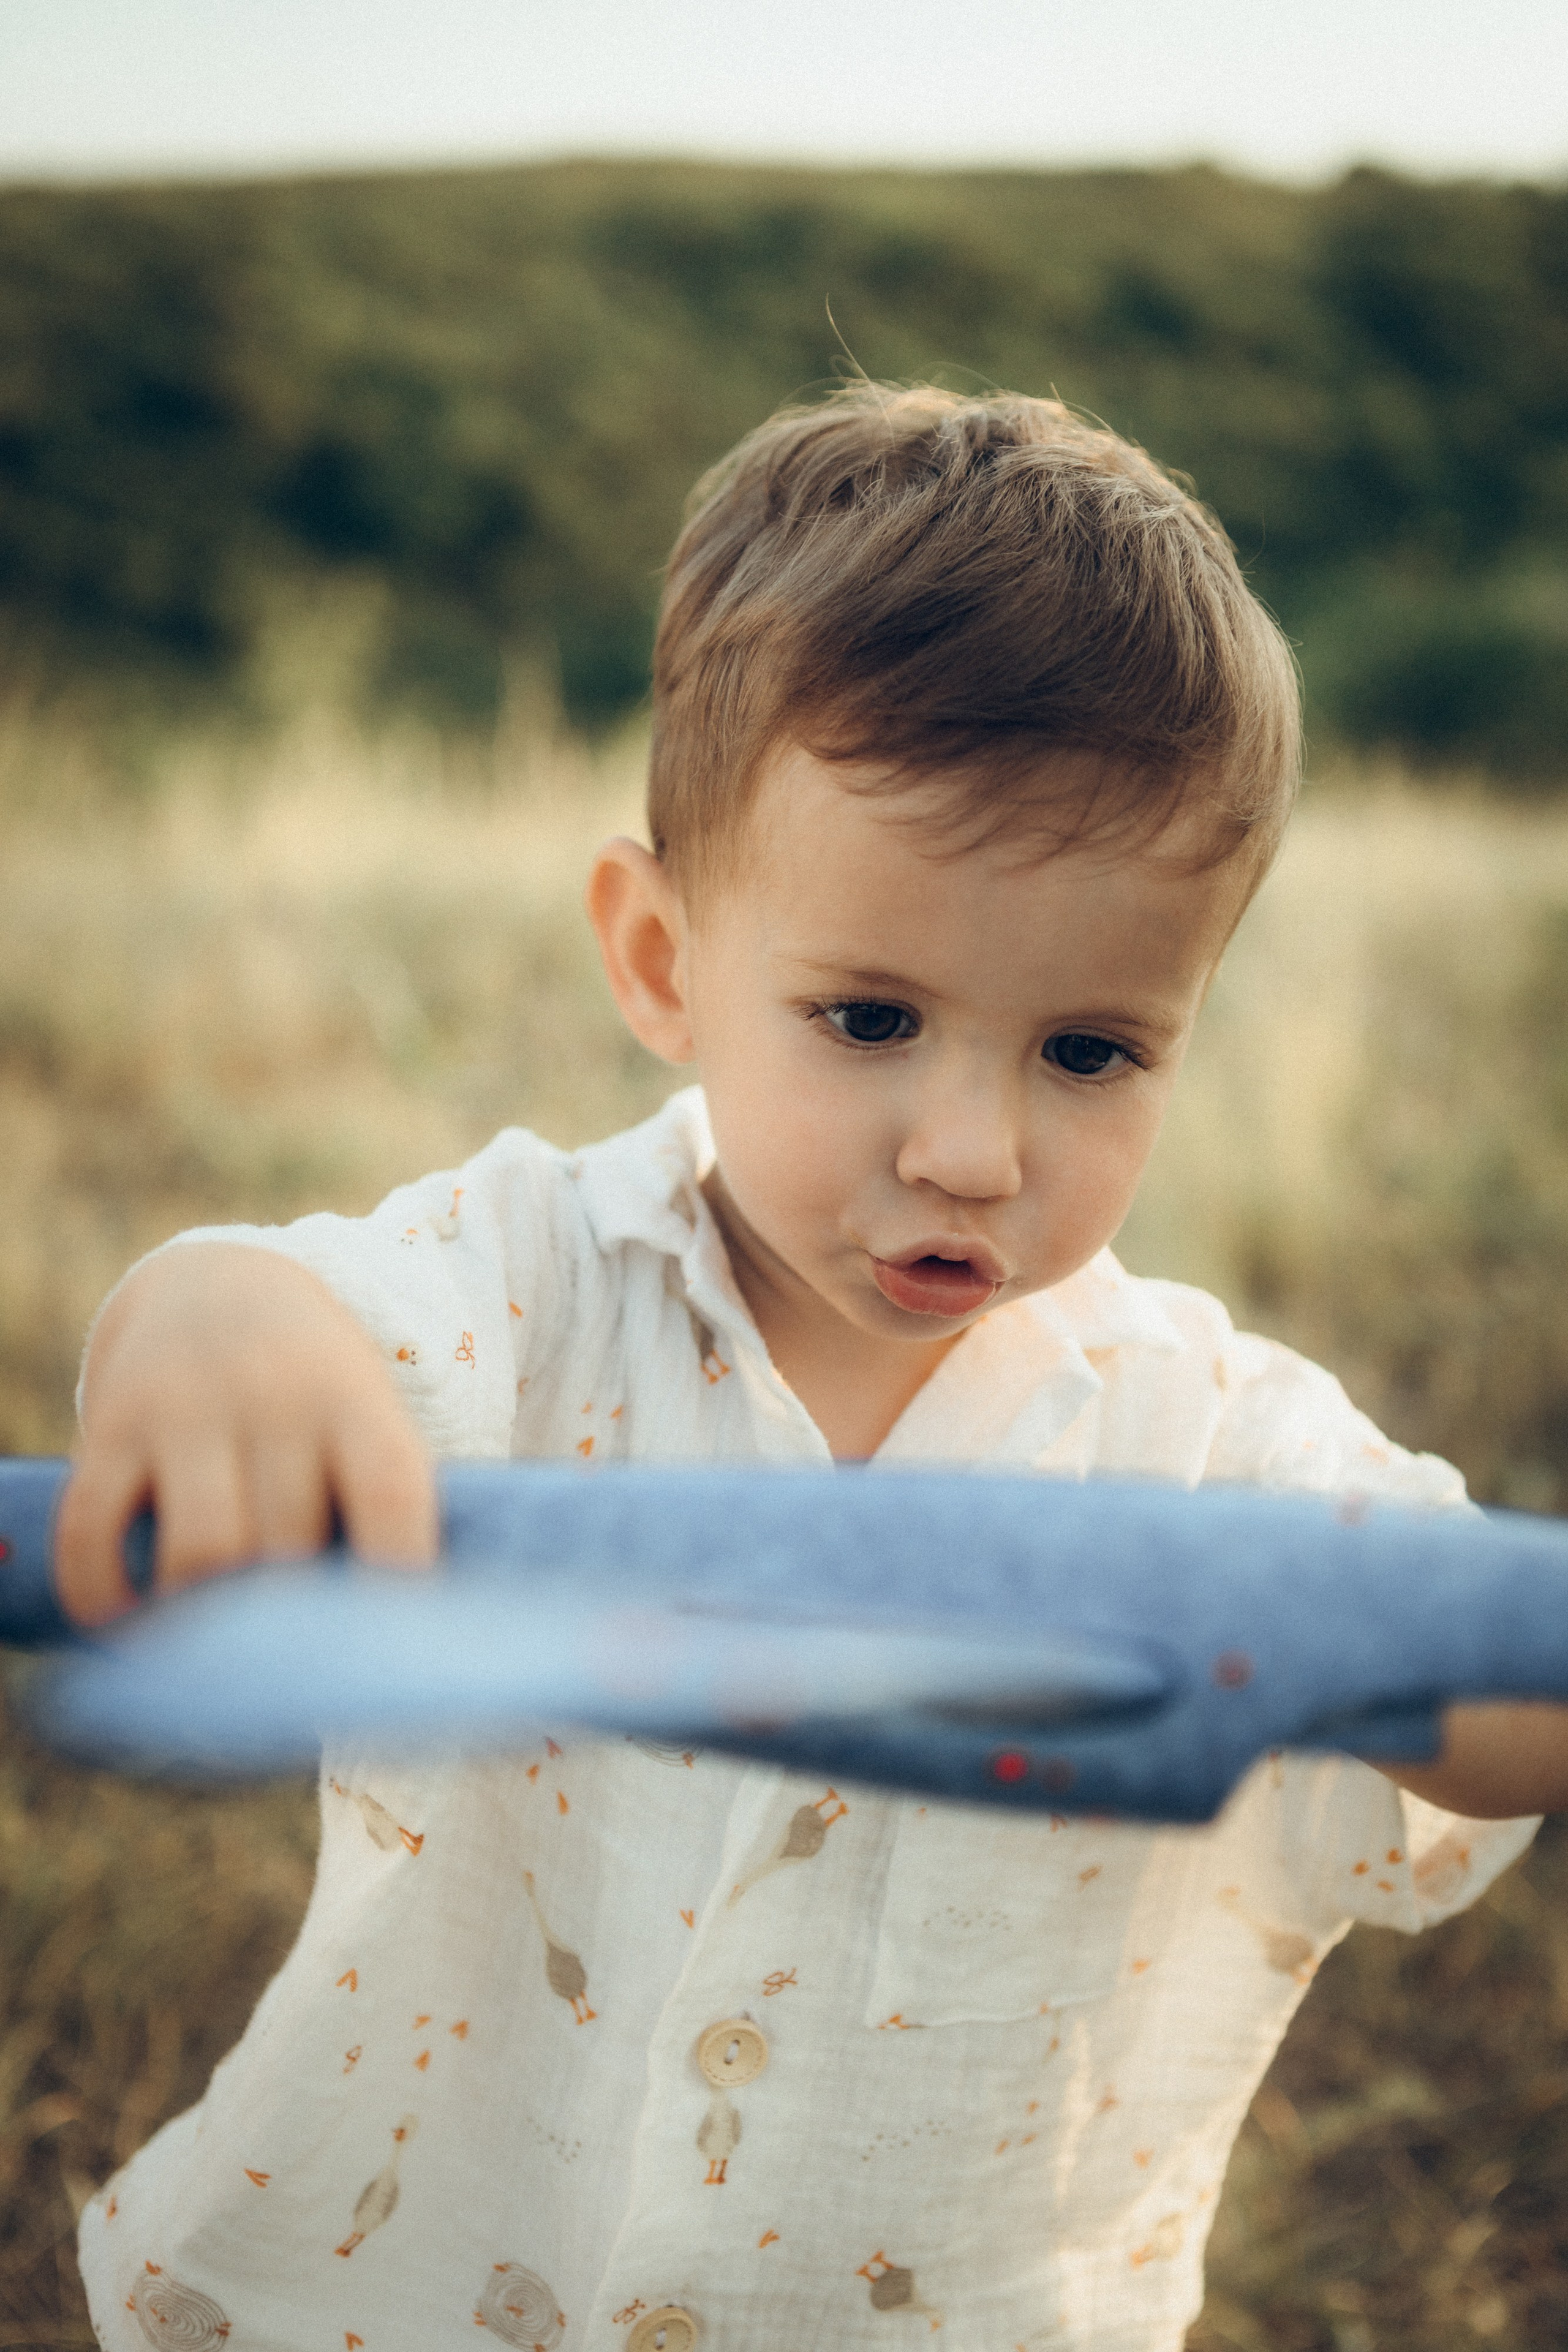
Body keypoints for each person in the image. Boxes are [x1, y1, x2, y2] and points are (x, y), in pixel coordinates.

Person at [61, 386, 1564, 2352]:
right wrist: (208, 1316)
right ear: (662, 960)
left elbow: (1502, 1686)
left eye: (1091, 1051)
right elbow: (298, 1310)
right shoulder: (536, 1277)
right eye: (871, 1018)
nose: (975, 1150)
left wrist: (1410, 1658)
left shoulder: (1213, 1446)